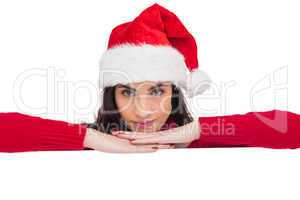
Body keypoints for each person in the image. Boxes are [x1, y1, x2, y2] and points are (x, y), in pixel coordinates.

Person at [1, 3, 300, 153]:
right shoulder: (91, 141)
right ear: (111, 96)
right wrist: (93, 139)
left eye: (156, 90)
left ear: (174, 93)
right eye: (127, 92)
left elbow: (294, 128)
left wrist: (193, 132)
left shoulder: (196, 140)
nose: (143, 110)